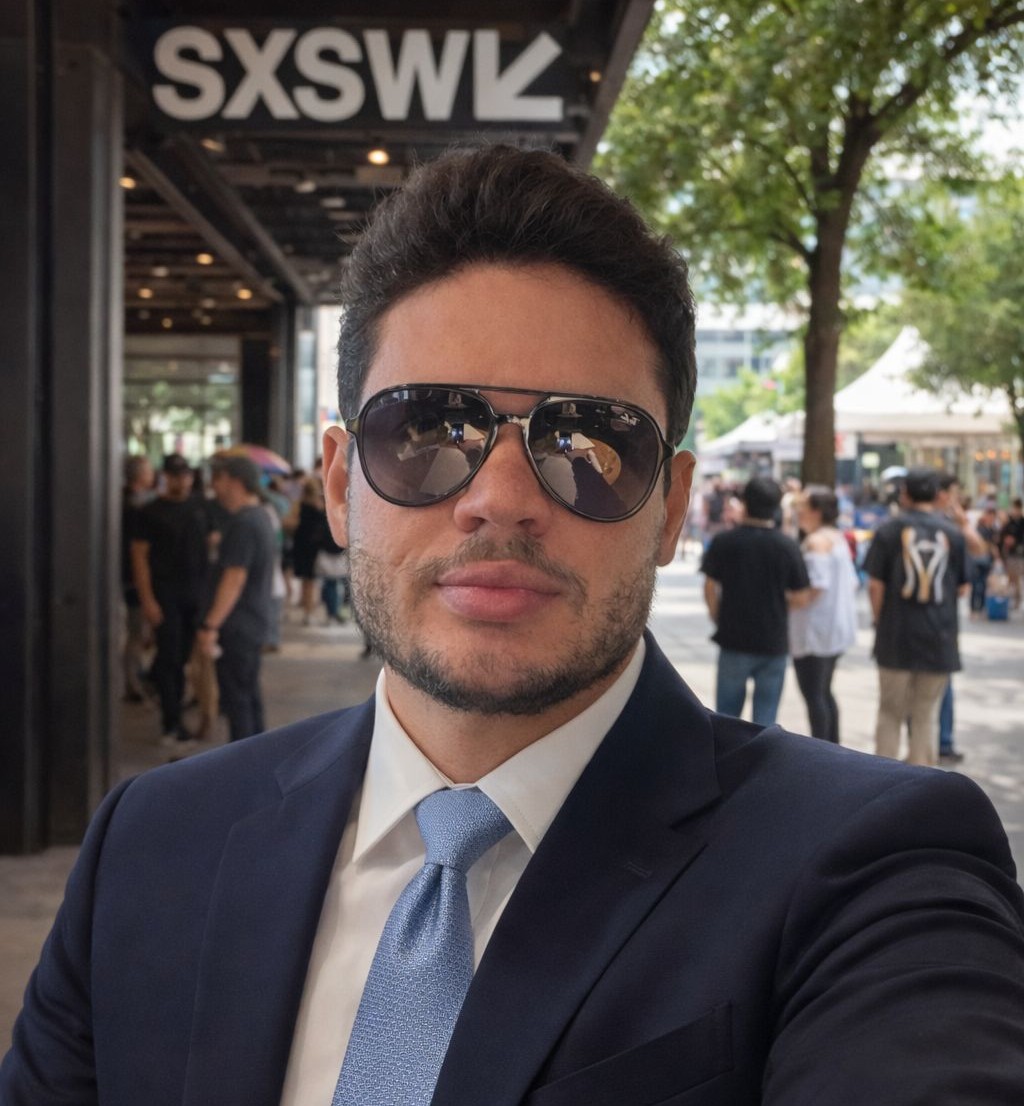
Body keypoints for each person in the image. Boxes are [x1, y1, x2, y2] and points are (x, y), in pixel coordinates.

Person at [4, 147, 1024, 1106]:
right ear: (339, 484)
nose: (499, 499)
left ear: (671, 506)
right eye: (425, 430)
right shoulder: (153, 841)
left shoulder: (869, 870)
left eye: (586, 443)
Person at [864, 467, 969, 767]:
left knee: (890, 712)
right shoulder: (952, 533)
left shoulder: (888, 531)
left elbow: (875, 585)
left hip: (895, 632)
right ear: (937, 495)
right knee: (926, 715)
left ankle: (882, 778)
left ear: (905, 494)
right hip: (939, 635)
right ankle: (922, 780)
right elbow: (963, 588)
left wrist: (878, 620)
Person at [700, 476, 810, 725]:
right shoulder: (787, 546)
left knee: (727, 720)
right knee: (765, 721)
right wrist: (779, 608)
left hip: (733, 638)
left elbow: (709, 586)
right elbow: (802, 596)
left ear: (745, 502)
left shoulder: (725, 541)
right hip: (773, 642)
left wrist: (717, 615)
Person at [129, 452, 208, 747]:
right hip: (165, 595)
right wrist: (147, 599)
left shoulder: (199, 507)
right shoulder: (149, 512)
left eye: (185, 475)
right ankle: (171, 723)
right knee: (171, 658)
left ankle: (167, 699)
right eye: (176, 476)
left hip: (195, 595)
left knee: (182, 658)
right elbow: (139, 558)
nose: (181, 481)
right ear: (166, 477)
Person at [197, 454, 276, 743]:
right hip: (251, 623)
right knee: (248, 695)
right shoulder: (260, 517)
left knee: (238, 701)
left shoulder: (244, 523)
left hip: (237, 626)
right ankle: (259, 757)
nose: (214, 487)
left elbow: (234, 578)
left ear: (236, 482)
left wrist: (210, 625)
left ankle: (246, 762)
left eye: (219, 479)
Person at [788, 485, 859, 743]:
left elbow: (816, 586)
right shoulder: (836, 538)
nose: (798, 510)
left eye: (803, 505)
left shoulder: (817, 542)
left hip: (815, 631)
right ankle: (832, 746)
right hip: (833, 629)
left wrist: (788, 599)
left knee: (814, 694)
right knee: (824, 692)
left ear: (816, 511)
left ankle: (824, 748)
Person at [119, 453, 154, 702]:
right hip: (134, 578)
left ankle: (136, 677)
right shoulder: (136, 507)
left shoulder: (126, 501)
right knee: (136, 631)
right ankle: (133, 682)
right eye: (149, 470)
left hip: (129, 577)